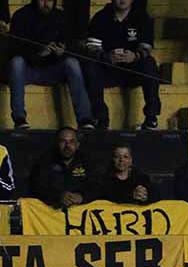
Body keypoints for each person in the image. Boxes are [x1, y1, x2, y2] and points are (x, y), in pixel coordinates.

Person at [8, 0, 94, 130]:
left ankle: (85, 119)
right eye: (42, 0)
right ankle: (19, 119)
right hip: (29, 70)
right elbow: (14, 48)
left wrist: (63, 52)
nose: (46, 3)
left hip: (54, 70)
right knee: (16, 62)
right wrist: (39, 53)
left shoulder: (61, 17)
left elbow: (72, 46)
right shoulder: (21, 15)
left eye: (49, 0)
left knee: (72, 62)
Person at [83, 0, 160, 130]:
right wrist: (106, 56)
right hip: (108, 70)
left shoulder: (142, 17)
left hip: (133, 70)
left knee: (149, 63)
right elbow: (92, 46)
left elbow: (146, 47)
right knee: (90, 65)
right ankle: (101, 118)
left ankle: (151, 118)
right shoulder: (101, 17)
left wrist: (135, 56)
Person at [29, 127, 98, 208]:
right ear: (57, 143)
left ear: (77, 145)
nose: (67, 145)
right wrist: (58, 196)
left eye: (71, 141)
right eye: (63, 141)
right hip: (52, 214)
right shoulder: (44, 163)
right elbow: (37, 188)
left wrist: (82, 197)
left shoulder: (88, 163)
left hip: (81, 214)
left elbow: (97, 186)